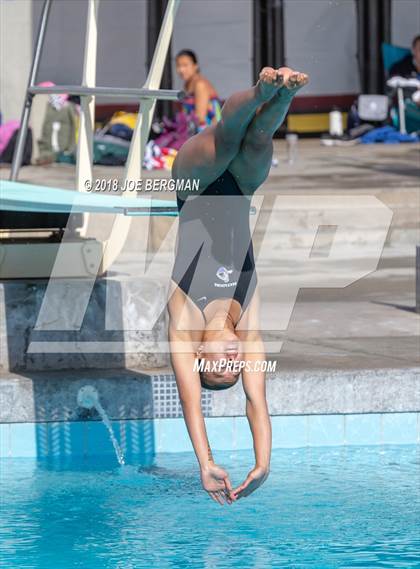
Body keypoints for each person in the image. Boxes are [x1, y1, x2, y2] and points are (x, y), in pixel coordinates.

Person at [167, 66, 309, 505]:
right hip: (241, 189)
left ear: (198, 357)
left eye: (218, 367)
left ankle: (260, 87)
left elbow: (191, 404)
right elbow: (256, 402)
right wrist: (262, 463)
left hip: (194, 184)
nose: (231, 361)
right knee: (259, 140)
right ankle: (283, 93)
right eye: (235, 368)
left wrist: (205, 461)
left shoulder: (185, 321)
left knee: (226, 139)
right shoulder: (248, 327)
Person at [175, 49, 222, 132]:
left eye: (185, 65)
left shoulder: (200, 85)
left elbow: (200, 118)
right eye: (178, 66)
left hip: (209, 133)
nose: (181, 70)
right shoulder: (187, 84)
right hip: (195, 130)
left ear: (195, 66)